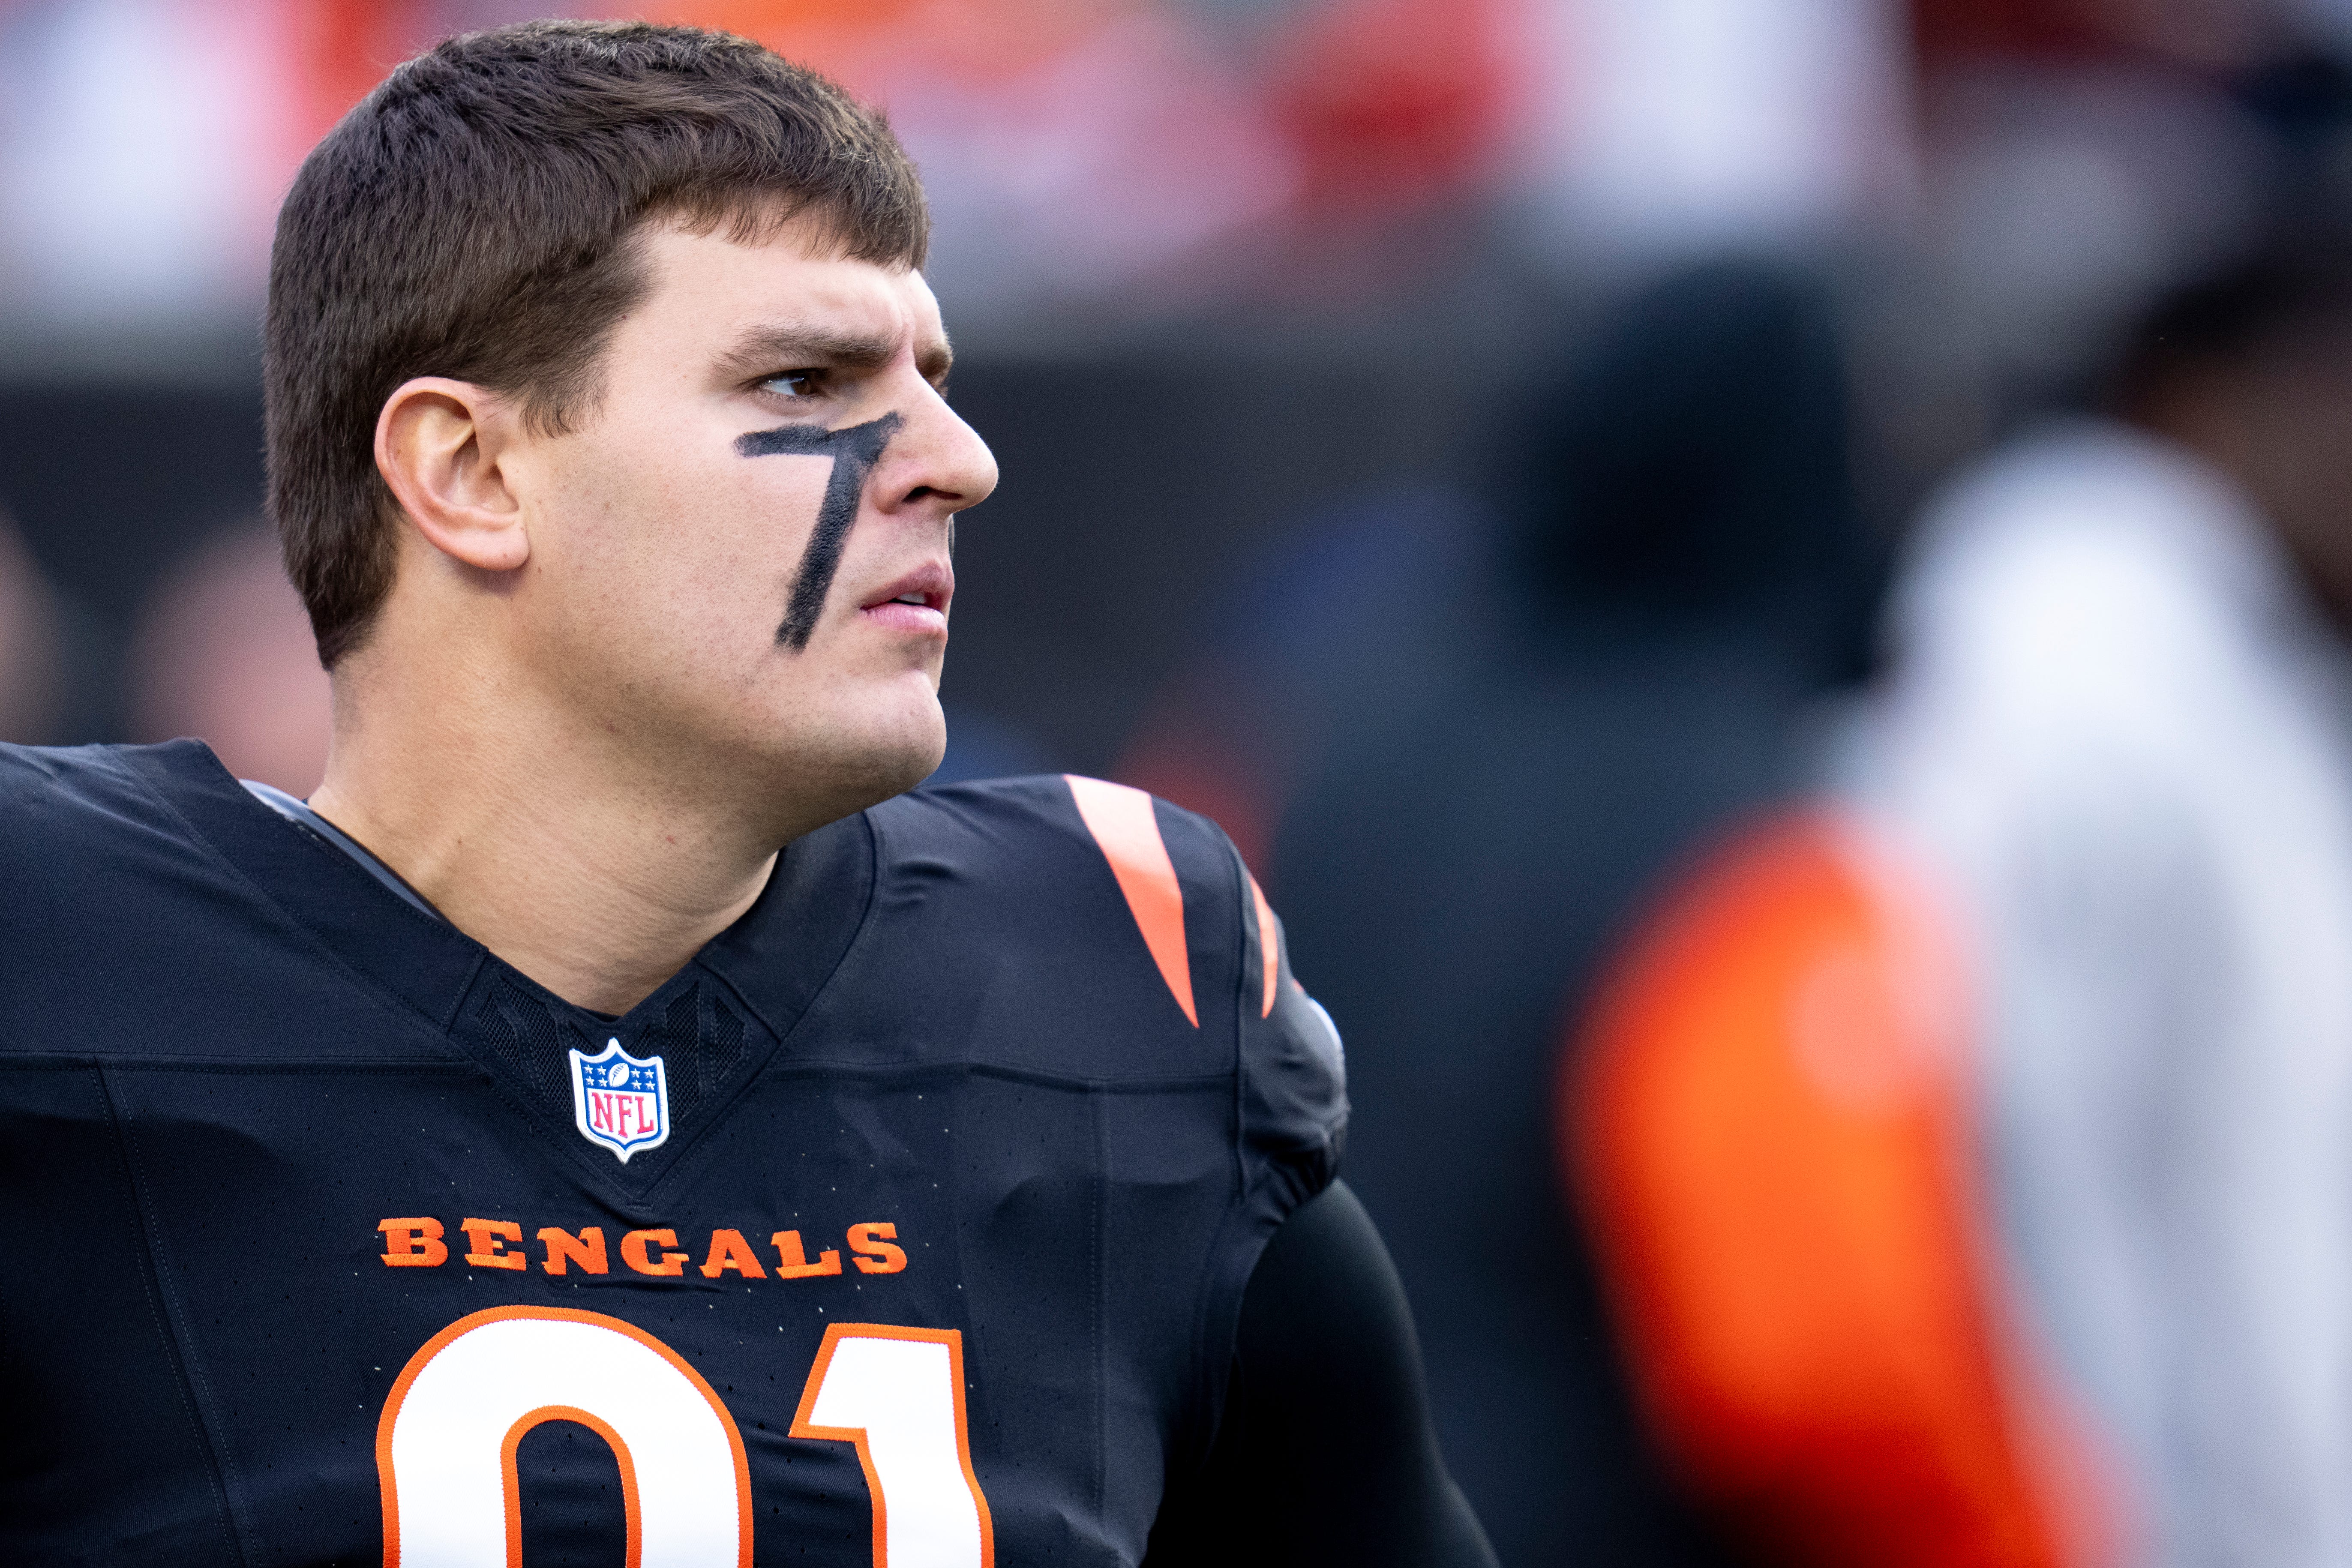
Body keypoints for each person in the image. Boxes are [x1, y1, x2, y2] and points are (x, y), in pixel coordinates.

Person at [0, 21, 1491, 1568]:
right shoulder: (57, 952)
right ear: (473, 472)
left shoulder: (1114, 971)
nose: (962, 460)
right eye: (806, 376)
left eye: (932, 376)